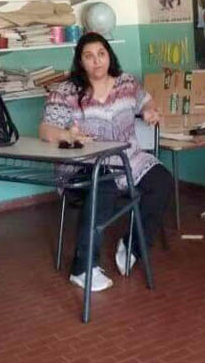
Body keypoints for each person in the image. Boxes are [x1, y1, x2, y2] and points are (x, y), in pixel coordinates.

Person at [39, 32, 172, 292]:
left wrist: (149, 111)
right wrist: (67, 135)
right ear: (80, 62)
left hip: (129, 158)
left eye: (101, 54)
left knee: (163, 182)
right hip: (84, 164)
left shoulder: (127, 83)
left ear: (109, 55)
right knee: (106, 185)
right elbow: (46, 130)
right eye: (89, 56)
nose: (97, 61)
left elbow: (147, 102)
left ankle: (132, 244)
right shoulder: (66, 92)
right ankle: (83, 267)